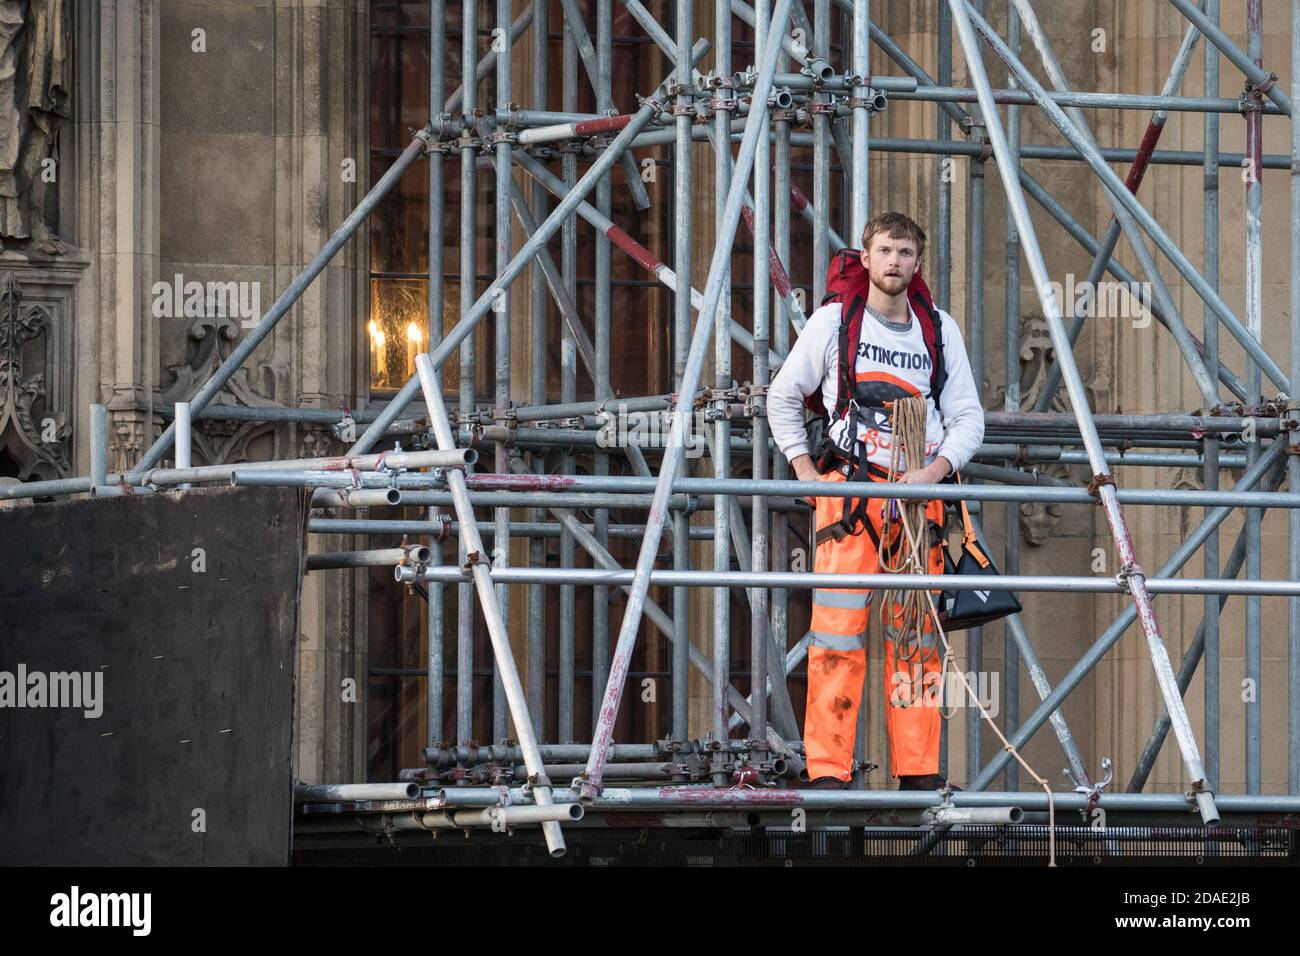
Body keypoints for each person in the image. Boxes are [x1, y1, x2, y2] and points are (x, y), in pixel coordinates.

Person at [767, 211, 985, 790]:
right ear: (866, 260)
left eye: (905, 253)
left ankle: (917, 774)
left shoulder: (939, 329)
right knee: (837, 636)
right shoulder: (837, 322)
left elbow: (967, 419)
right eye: (885, 251)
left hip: (920, 502)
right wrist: (807, 473)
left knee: (917, 638)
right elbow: (783, 395)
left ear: (918, 263)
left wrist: (934, 471)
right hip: (852, 500)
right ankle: (829, 775)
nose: (895, 262)